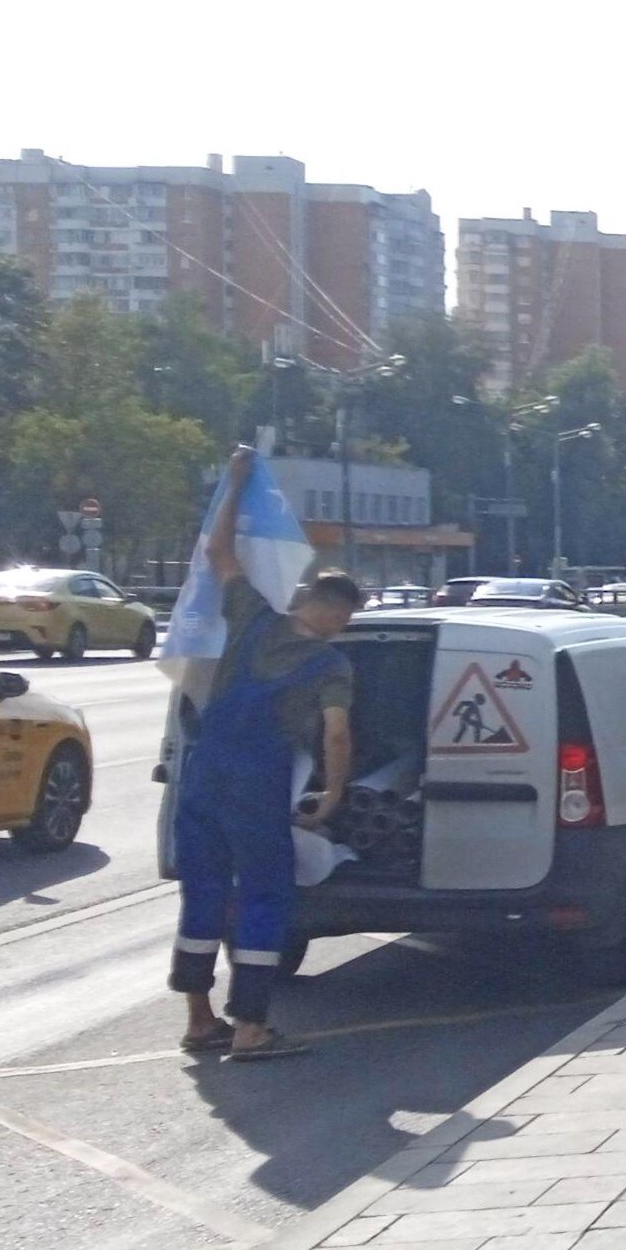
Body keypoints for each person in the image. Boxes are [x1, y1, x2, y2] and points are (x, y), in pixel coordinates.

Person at [171, 446, 363, 1061]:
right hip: (256, 781)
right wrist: (332, 794)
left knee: (203, 892)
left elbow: (217, 552)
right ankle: (251, 1028)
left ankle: (200, 1020)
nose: (342, 624)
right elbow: (336, 734)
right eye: (346, 615)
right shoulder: (329, 664)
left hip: (203, 771)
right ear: (336, 613)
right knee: (262, 894)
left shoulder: (252, 615)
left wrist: (234, 483)